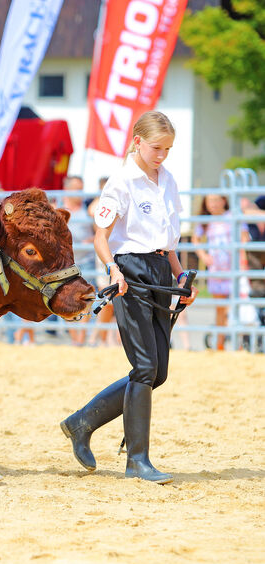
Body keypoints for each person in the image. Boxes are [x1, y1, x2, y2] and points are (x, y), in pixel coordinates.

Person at [60, 111, 198, 484]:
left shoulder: (167, 180)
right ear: (137, 141)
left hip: (160, 271)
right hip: (130, 272)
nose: (162, 156)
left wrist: (181, 275)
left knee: (159, 371)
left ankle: (81, 422)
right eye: (157, 148)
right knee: (144, 368)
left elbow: (169, 243)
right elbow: (100, 236)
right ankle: (137, 461)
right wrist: (112, 270)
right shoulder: (121, 181)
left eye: (168, 149)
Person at [192, 194, 250, 350]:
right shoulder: (206, 221)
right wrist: (203, 255)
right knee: (220, 309)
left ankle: (239, 344)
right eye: (210, 201)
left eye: (216, 200)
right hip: (216, 270)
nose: (214, 204)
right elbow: (195, 239)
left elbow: (244, 237)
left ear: (224, 201)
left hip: (234, 268)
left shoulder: (233, 216)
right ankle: (220, 345)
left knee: (235, 308)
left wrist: (242, 259)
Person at [62, 175, 95, 346]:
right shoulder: (59, 210)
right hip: (67, 264)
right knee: (66, 301)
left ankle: (80, 338)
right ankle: (76, 338)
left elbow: (99, 233)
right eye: (77, 188)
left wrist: (89, 241)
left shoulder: (88, 209)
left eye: (81, 188)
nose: (80, 192)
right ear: (67, 190)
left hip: (86, 261)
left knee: (86, 299)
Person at [86, 177, 119, 347]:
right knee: (107, 300)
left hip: (117, 252)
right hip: (106, 255)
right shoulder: (99, 204)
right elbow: (92, 211)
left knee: (114, 302)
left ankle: (103, 337)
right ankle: (98, 337)